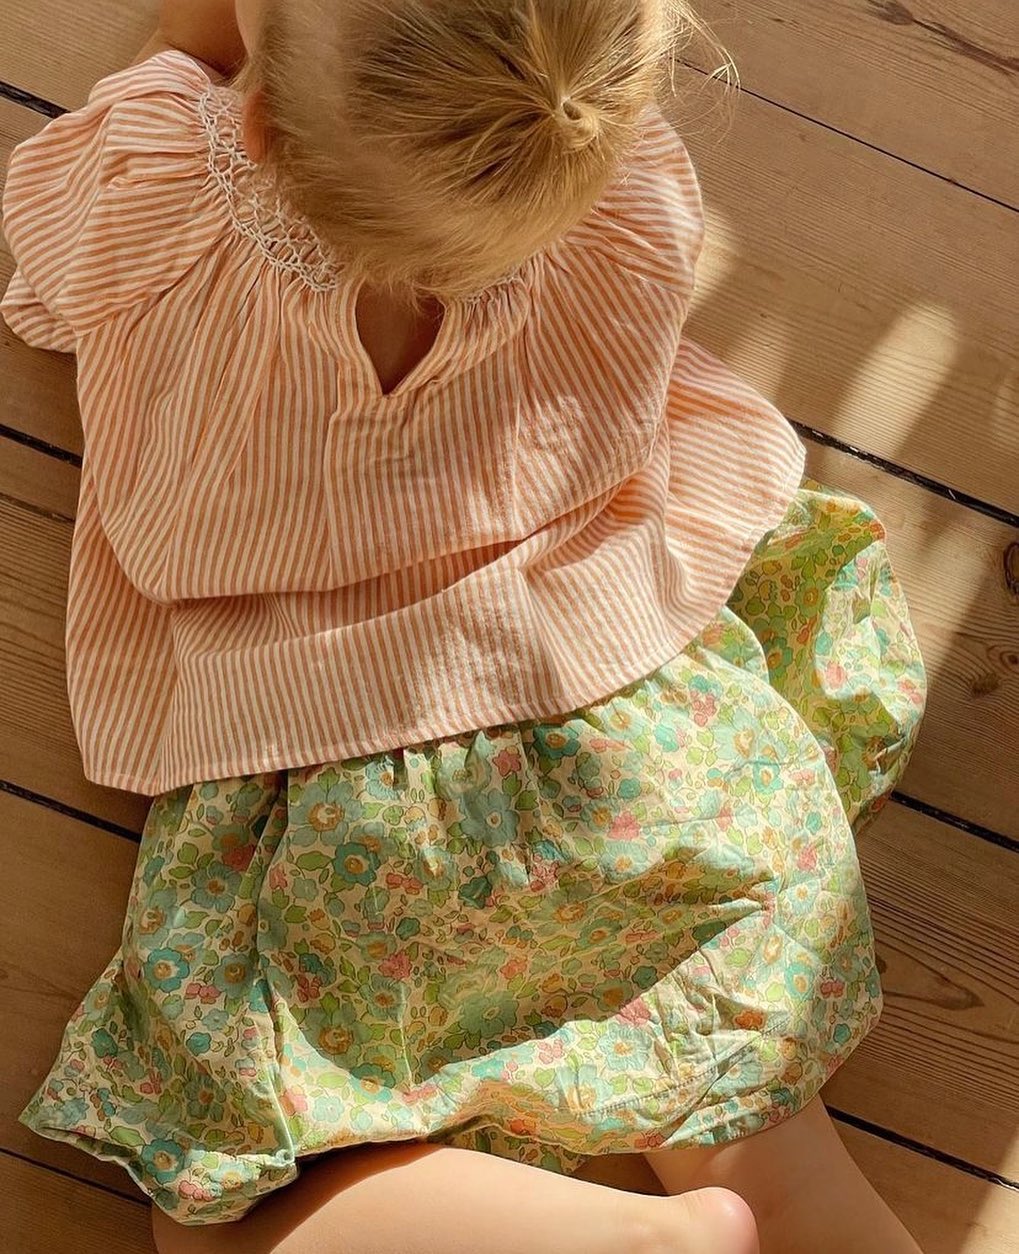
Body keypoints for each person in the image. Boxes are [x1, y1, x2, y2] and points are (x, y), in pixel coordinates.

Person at [2, 0, 928, 1250]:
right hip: (639, 744)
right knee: (771, 1152)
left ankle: (645, 1246)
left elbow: (49, 261)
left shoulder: (155, 187)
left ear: (259, 122)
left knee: (216, 1221)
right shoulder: (628, 192)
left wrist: (198, 52)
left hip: (345, 810)